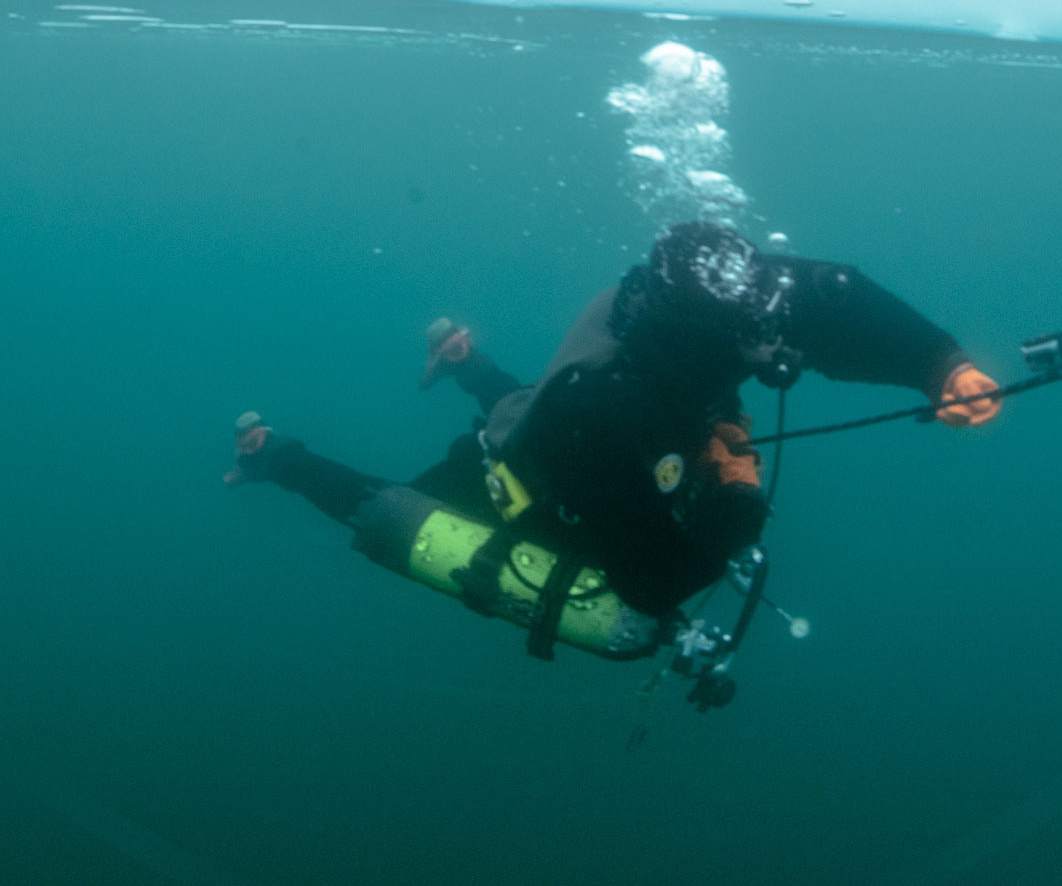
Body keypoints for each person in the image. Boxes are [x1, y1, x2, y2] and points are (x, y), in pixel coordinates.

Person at [225, 222, 1001, 629]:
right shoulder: (604, 415)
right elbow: (655, 583)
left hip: (581, 413)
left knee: (524, 398)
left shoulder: (728, 297)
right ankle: (274, 456)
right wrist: (737, 490)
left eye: (769, 314)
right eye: (754, 337)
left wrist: (941, 366)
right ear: (694, 340)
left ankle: (464, 361)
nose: (773, 343)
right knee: (387, 504)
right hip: (539, 482)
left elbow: (839, 300)